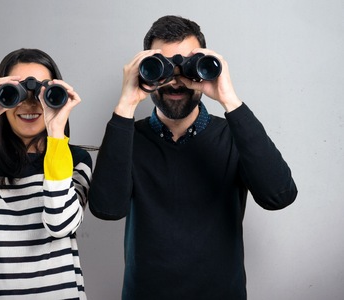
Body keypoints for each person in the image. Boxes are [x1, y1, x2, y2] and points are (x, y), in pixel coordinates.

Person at [88, 15, 298, 299]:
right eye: (162, 67)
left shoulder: (234, 135)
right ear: (144, 69)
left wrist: (229, 100)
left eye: (186, 66)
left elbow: (279, 195)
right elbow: (106, 209)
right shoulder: (128, 138)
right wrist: (125, 104)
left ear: (204, 66)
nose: (176, 82)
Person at [0, 48, 92, 299]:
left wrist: (56, 133)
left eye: (41, 94)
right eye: (19, 93)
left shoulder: (75, 160)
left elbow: (60, 225)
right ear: (2, 96)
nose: (29, 103)